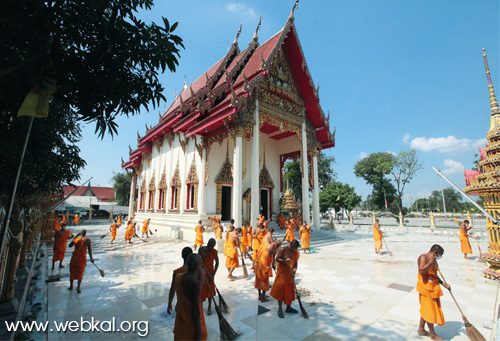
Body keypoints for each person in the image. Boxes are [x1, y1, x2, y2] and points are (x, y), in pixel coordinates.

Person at [417, 244, 450, 341]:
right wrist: (430, 262)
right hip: (425, 288)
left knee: (427, 309)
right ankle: (433, 334)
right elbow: (421, 270)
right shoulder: (423, 257)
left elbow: (434, 274)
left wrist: (443, 284)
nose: (439, 257)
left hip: (433, 287)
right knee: (430, 311)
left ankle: (421, 329)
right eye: (439, 254)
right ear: (435, 252)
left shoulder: (433, 260)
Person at [172, 253, 207, 341]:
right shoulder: (196, 284)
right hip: (191, 327)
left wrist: (201, 277)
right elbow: (196, 311)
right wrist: (198, 334)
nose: (201, 266)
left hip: (181, 323)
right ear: (196, 266)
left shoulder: (178, 277)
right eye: (200, 264)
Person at [270, 239, 300, 318]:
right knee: (281, 291)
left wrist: (294, 271)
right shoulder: (283, 249)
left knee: (289, 291)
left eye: (296, 249)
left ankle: (288, 307)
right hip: (282, 273)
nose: (295, 250)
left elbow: (296, 262)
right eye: (294, 248)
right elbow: (277, 259)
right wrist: (284, 261)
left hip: (290, 274)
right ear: (291, 246)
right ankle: (280, 309)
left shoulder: (296, 252)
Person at [168, 247, 194, 314]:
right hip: (194, 306)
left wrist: (169, 303)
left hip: (181, 306)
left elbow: (172, 289)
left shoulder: (177, 273)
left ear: (182, 256)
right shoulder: (195, 271)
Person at [199, 239, 219, 316]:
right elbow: (198, 259)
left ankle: (209, 307)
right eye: (208, 245)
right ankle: (200, 305)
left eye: (211, 246)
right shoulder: (201, 249)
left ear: (213, 246)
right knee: (201, 288)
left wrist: (213, 274)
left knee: (210, 289)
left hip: (210, 272)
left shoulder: (214, 252)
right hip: (202, 272)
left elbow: (217, 263)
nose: (209, 247)